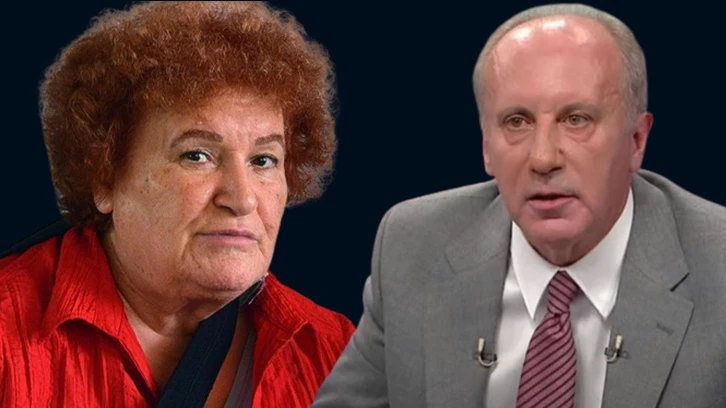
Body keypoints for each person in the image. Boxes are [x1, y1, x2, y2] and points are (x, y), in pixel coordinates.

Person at [312, 3, 726, 408]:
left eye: (576, 119)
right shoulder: (413, 248)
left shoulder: (718, 266)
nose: (543, 158)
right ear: (486, 147)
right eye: (517, 122)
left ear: (636, 141)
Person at [0, 2, 355, 407]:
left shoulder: (330, 352)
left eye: (263, 161)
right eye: (197, 155)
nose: (242, 199)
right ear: (104, 177)